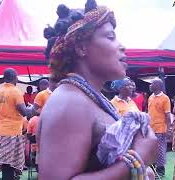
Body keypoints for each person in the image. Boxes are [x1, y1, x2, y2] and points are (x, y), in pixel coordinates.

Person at [38, 1, 158, 179]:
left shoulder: (87, 98)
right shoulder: (70, 102)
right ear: (81, 47)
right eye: (110, 37)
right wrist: (136, 160)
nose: (122, 45)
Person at [0, 68, 35, 180]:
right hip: (13, 132)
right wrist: (34, 108)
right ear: (14, 78)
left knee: (6, 163)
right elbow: (24, 112)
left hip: (1, 131)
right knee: (11, 164)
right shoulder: (16, 92)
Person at [148, 79, 171, 177]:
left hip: (161, 129)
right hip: (150, 129)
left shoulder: (165, 98)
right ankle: (153, 170)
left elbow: (168, 116)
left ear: (158, 85)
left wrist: (168, 129)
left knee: (160, 150)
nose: (150, 85)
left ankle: (161, 170)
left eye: (152, 83)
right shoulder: (150, 97)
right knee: (151, 149)